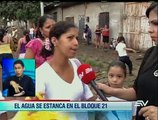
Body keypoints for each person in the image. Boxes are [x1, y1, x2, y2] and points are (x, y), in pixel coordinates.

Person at [97, 2, 158, 120]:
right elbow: (137, 92)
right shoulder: (151, 53)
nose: (150, 30)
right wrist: (110, 90)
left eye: (156, 23)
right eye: (149, 23)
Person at [36, 21, 95, 120]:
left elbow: (89, 98)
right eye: (70, 38)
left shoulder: (77, 65)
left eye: (76, 38)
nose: (76, 43)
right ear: (54, 41)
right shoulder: (40, 74)